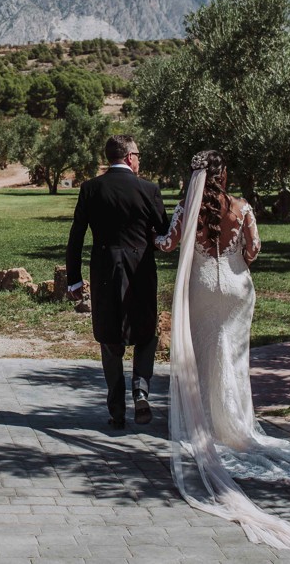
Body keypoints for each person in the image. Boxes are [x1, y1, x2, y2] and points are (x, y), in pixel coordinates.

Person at [156, 150, 290, 549]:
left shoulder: (186, 208)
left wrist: (147, 233)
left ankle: (207, 423)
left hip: (201, 289)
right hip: (236, 288)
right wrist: (236, 258)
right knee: (233, 356)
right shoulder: (242, 207)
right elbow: (254, 249)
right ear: (224, 174)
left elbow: (166, 244)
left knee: (206, 355)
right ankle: (237, 423)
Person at [65, 134, 168, 428]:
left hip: (105, 270)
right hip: (141, 270)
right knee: (147, 332)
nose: (139, 160)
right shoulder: (149, 189)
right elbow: (163, 230)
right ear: (130, 157)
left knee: (110, 339)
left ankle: (117, 410)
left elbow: (76, 236)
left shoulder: (91, 189)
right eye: (138, 155)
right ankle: (141, 389)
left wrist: (74, 279)